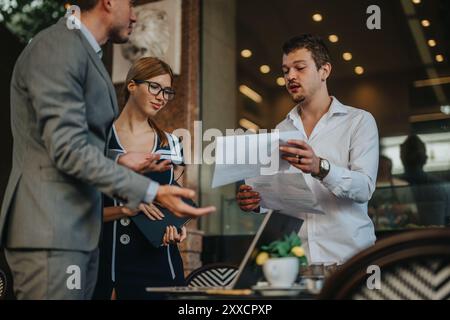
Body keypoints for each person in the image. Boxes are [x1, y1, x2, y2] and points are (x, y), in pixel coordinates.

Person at [0, 0, 214, 300]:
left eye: (168, 91)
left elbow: (74, 144)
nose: (135, 14)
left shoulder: (84, 53)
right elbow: (66, 148)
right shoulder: (59, 46)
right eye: (130, 4)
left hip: (75, 236)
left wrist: (120, 160)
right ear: (108, 2)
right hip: (52, 231)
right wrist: (151, 192)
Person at [237, 34, 379, 265]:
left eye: (299, 68)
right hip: (298, 261)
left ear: (324, 71)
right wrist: (257, 203)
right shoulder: (281, 129)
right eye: (285, 71)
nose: (290, 76)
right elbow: (283, 197)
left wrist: (320, 167)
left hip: (349, 260)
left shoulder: (359, 121)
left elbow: (364, 189)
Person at [94, 57, 189, 300]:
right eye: (154, 87)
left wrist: (178, 227)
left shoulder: (172, 144)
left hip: (160, 266)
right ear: (132, 86)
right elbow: (79, 210)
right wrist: (128, 209)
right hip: (107, 264)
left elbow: (179, 204)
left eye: (167, 91)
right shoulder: (98, 140)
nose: (162, 97)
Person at [400, 135, 450, 226]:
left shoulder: (395, 188)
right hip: (439, 238)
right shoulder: (443, 187)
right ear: (425, 158)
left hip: (401, 239)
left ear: (402, 158)